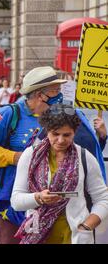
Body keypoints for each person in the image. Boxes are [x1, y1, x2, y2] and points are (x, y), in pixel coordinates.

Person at [0, 66, 107, 244]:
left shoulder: (69, 114)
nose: (60, 95)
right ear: (39, 94)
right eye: (55, 91)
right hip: (13, 205)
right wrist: (16, 157)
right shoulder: (10, 114)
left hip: (64, 211)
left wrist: (101, 136)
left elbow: (87, 148)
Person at [11, 104, 108, 244]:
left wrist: (87, 226)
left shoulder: (85, 158)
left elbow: (103, 199)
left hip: (75, 237)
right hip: (38, 235)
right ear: (47, 130)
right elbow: (16, 201)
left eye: (67, 135)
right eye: (55, 134)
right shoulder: (30, 156)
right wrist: (38, 198)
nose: (61, 140)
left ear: (75, 132)